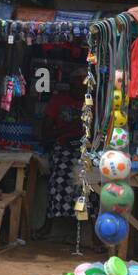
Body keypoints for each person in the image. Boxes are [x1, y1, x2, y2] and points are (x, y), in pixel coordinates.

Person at [42, 73, 87, 222]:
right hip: (63, 146)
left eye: (84, 87)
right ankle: (48, 224)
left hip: (84, 149)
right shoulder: (58, 101)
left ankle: (94, 233)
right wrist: (67, 129)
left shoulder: (91, 103)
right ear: (71, 86)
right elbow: (46, 131)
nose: (81, 90)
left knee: (89, 184)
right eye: (78, 86)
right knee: (58, 180)